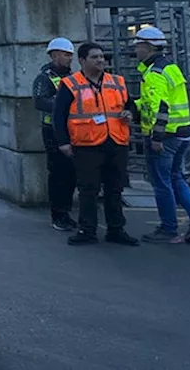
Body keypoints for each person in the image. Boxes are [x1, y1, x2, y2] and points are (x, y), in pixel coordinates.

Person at [52, 42, 140, 247]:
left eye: (102, 57)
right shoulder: (70, 84)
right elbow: (59, 116)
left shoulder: (117, 81)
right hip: (86, 144)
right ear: (82, 61)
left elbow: (130, 105)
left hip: (116, 141)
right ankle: (87, 230)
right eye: (94, 57)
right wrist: (63, 142)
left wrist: (130, 113)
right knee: (88, 189)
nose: (100, 60)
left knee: (115, 188)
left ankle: (116, 229)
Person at [133, 27, 190, 244]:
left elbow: (160, 107)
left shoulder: (154, 74)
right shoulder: (171, 68)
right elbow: (156, 103)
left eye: (138, 45)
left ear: (147, 47)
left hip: (164, 136)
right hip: (182, 133)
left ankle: (169, 228)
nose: (136, 50)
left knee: (161, 183)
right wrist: (134, 105)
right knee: (176, 177)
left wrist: (156, 138)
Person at [33, 37, 78, 231]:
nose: (69, 59)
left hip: (72, 130)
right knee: (58, 174)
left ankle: (66, 212)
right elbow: (40, 102)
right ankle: (58, 215)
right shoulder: (45, 78)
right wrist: (66, 105)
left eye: (71, 55)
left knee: (71, 175)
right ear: (54, 55)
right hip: (52, 132)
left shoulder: (74, 77)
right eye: (66, 55)